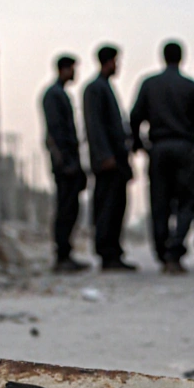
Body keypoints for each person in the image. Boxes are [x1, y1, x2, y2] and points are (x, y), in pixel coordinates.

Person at [130, 41, 194, 275]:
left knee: (159, 202)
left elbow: (134, 117)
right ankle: (176, 247)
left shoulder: (149, 84)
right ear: (182, 58)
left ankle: (162, 250)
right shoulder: (191, 87)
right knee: (187, 202)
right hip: (184, 148)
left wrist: (140, 144)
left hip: (158, 148)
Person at [82, 45, 136, 271]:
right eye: (115, 61)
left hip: (117, 160)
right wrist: (105, 156)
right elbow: (94, 126)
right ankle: (106, 252)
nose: (118, 66)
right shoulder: (95, 89)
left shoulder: (105, 87)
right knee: (107, 208)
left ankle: (114, 251)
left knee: (117, 207)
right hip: (108, 162)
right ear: (108, 62)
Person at [41, 54, 87, 273]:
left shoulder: (60, 95)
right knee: (65, 208)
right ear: (64, 69)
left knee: (71, 208)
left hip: (70, 160)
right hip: (64, 162)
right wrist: (65, 162)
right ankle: (61, 255)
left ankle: (66, 253)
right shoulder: (53, 95)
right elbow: (55, 133)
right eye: (72, 69)